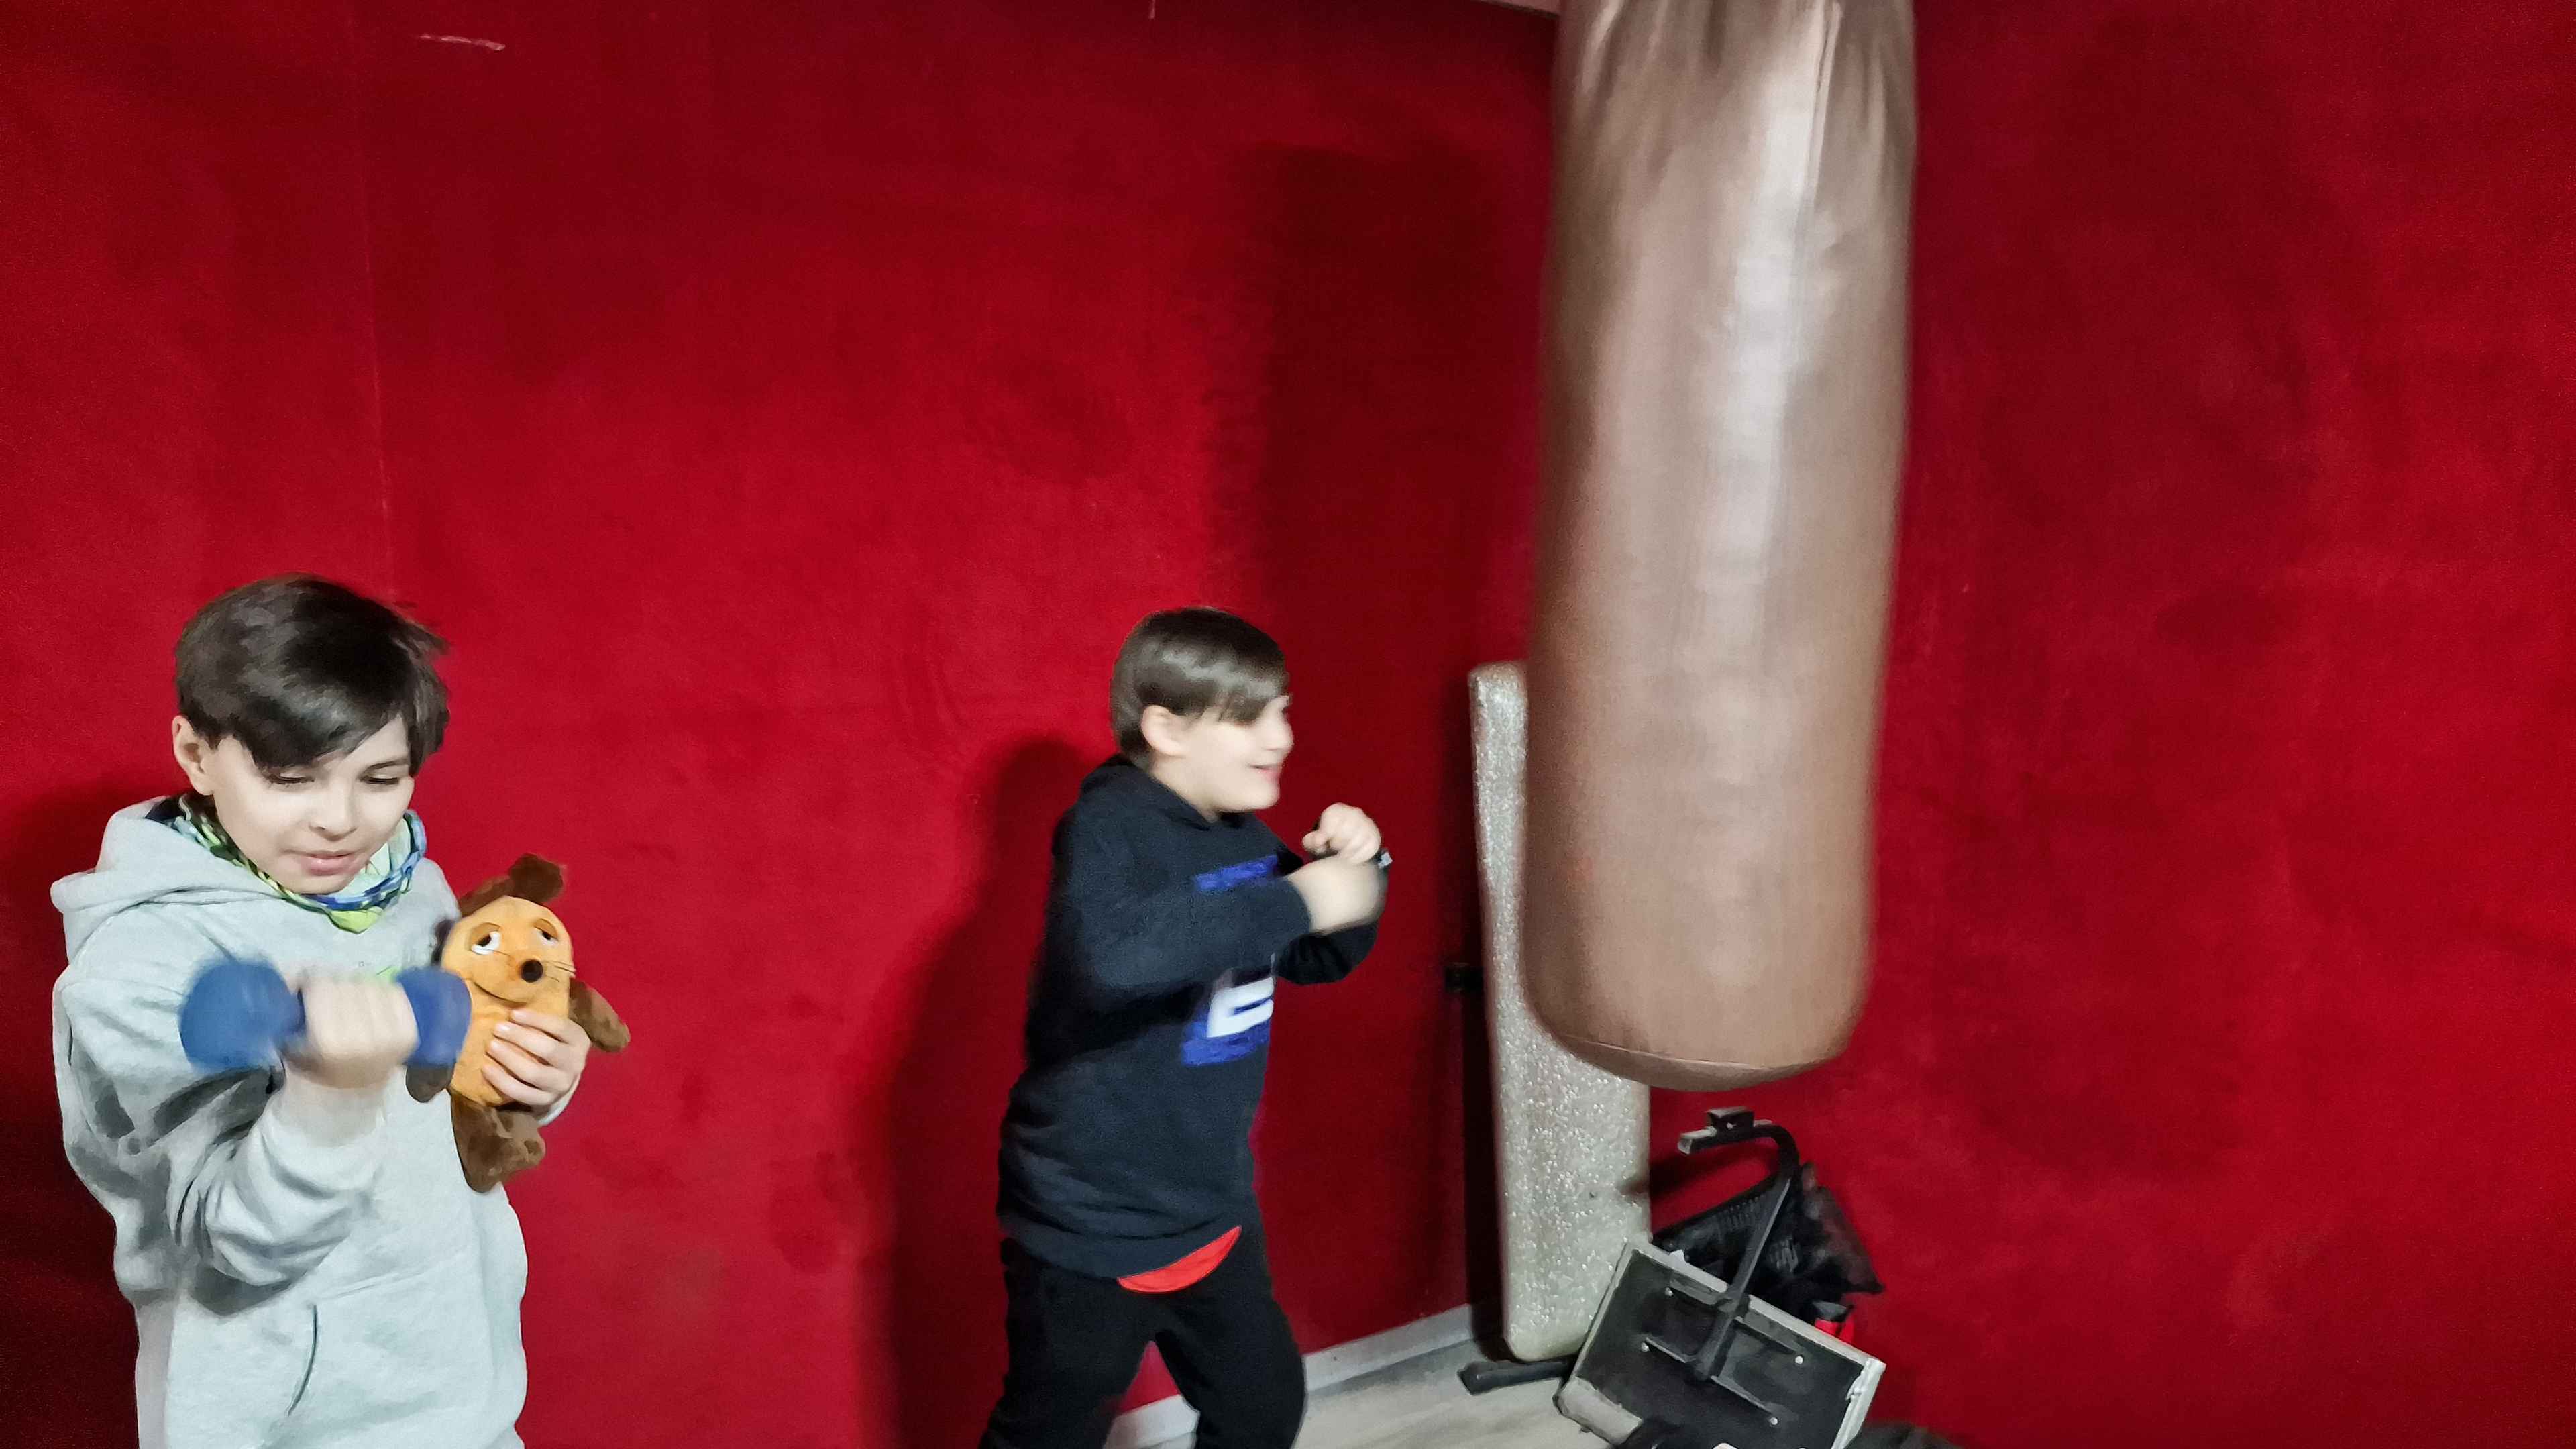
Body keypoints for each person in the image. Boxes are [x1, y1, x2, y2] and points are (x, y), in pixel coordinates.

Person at [52, 575, 592, 1449]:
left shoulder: (411, 887)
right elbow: (237, 1241)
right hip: (283, 1422)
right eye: (291, 779)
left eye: (382, 778)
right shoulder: (135, 972)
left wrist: (530, 1078)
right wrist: (330, 1099)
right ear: (196, 755)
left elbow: (450, 1086)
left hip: (465, 1388)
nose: (340, 823)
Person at [982, 607, 1390, 1449]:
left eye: (1283, 708)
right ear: (1167, 729)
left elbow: (1315, 957)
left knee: (1261, 1408)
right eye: (1251, 716)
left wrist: (1360, 873)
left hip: (1210, 1205)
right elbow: (1114, 961)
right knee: (1049, 1431)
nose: (1280, 735)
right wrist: (1298, 897)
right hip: (1091, 1222)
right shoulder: (1109, 826)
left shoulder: (1240, 836)